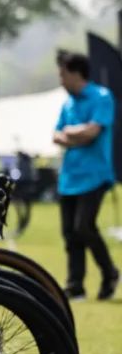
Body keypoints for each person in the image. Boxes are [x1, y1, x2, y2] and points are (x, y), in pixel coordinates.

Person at [53, 50, 118, 300]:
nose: (61, 80)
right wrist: (77, 134)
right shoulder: (67, 103)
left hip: (95, 176)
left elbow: (93, 132)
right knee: (70, 233)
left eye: (63, 74)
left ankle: (110, 272)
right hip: (69, 177)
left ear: (76, 73)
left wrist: (71, 133)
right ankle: (75, 285)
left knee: (84, 227)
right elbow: (56, 135)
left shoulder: (102, 97)